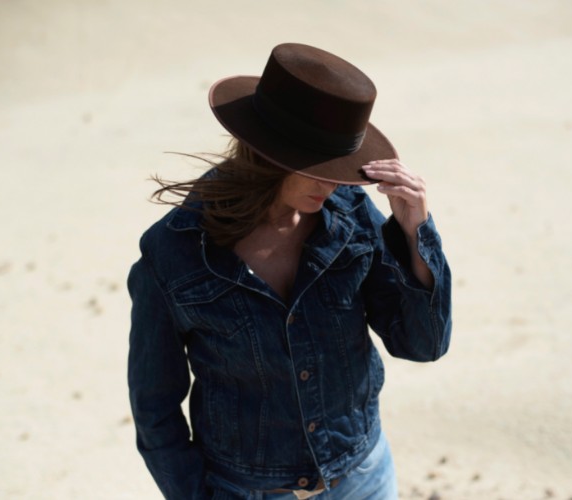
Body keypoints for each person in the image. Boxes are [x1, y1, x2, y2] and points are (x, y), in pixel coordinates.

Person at [127, 42, 453, 500]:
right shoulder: (174, 253)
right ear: (266, 153)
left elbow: (422, 345)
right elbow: (154, 408)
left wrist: (414, 233)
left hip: (363, 477)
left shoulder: (354, 218)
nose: (333, 182)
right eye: (316, 167)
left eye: (340, 167)